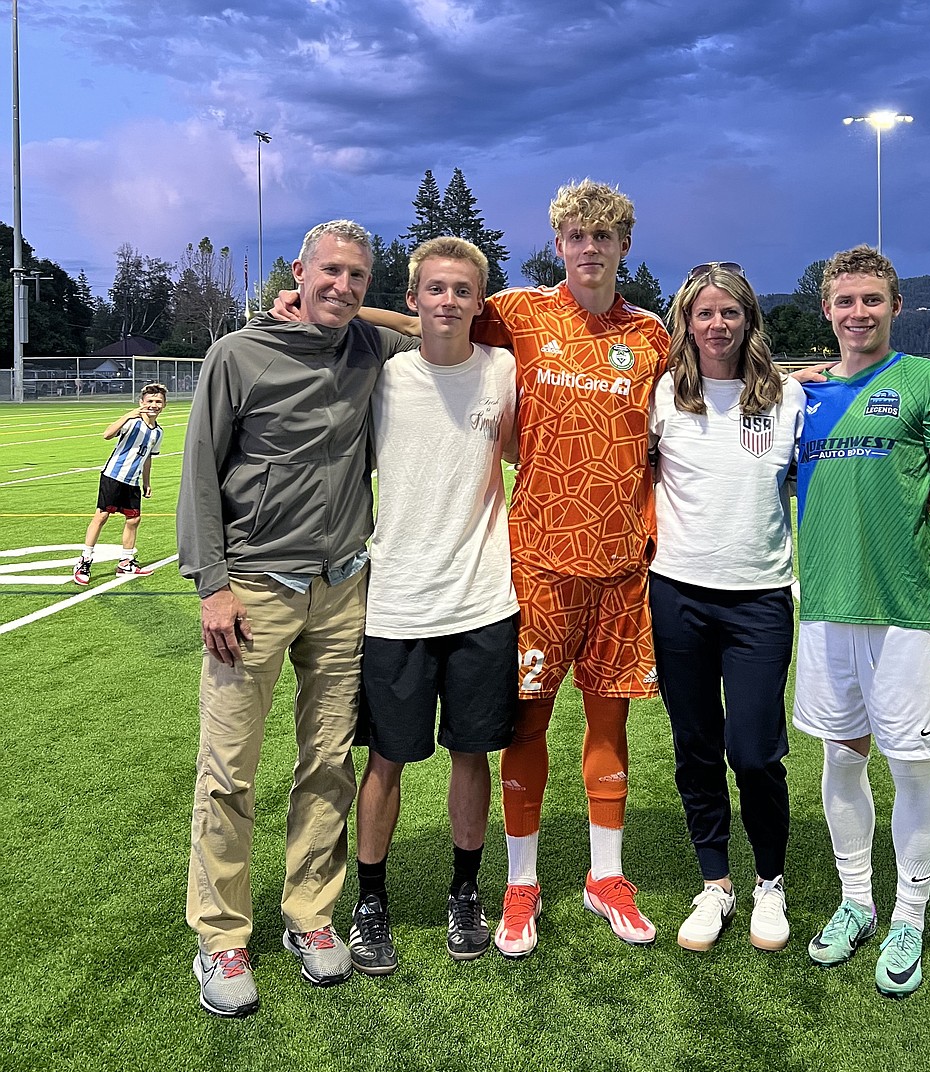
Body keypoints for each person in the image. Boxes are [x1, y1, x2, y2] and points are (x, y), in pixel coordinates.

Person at [351, 180, 671, 956]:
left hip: (622, 566)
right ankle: (518, 885)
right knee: (523, 727)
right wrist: (344, 309)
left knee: (609, 721)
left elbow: (703, 393)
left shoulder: (655, 335)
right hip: (532, 567)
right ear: (558, 244)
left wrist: (795, 377)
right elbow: (441, 316)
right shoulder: (523, 314)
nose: (589, 249)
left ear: (623, 246)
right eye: (576, 237)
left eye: (603, 237)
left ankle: (606, 877)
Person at [178, 219, 416, 1018]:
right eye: (329, 274)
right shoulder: (238, 355)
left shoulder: (367, 351)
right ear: (298, 270)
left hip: (346, 589)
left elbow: (438, 326)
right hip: (251, 590)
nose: (343, 288)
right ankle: (220, 937)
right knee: (229, 770)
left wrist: (363, 314)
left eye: (357, 277)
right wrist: (212, 586)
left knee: (327, 764)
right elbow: (200, 479)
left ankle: (310, 917)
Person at [794, 245, 930, 998]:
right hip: (828, 610)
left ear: (894, 307)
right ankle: (856, 903)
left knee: (909, 764)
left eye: (872, 299)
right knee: (841, 759)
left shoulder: (927, 380)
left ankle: (909, 913)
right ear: (827, 311)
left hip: (908, 612)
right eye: (845, 301)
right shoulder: (802, 397)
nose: (858, 312)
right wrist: (782, 380)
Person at [346, 237, 519, 974]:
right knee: (387, 759)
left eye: (462, 290)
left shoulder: (503, 370)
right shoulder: (382, 378)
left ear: (480, 302)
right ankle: (370, 901)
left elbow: (515, 451)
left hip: (484, 599)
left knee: (471, 752)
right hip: (398, 603)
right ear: (414, 299)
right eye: (435, 289)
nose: (448, 301)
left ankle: (464, 892)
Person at [649, 263, 804, 952]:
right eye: (704, 314)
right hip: (678, 593)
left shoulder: (788, 397)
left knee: (753, 751)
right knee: (697, 748)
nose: (717, 325)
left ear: (749, 320)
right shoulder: (663, 394)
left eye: (730, 313)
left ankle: (770, 880)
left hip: (760, 600)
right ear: (686, 321)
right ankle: (716, 883)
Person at [72, 383, 167, 586]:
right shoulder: (132, 423)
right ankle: (84, 560)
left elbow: (148, 457)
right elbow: (107, 435)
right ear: (142, 403)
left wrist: (147, 482)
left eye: (158, 401)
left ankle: (126, 562)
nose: (154, 405)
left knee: (133, 520)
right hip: (113, 477)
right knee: (102, 516)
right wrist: (128, 415)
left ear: (164, 405)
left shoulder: (158, 432)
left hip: (132, 481)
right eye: (150, 401)